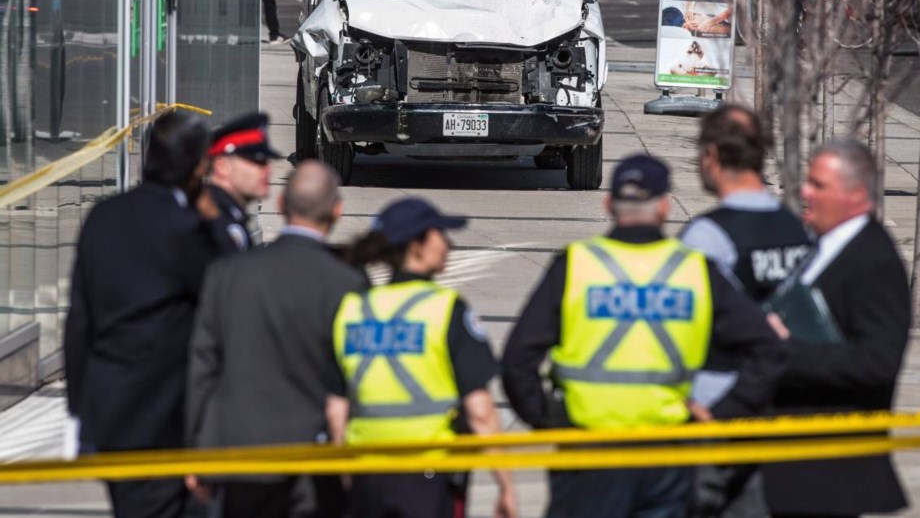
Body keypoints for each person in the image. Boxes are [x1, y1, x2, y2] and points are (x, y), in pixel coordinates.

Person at [501, 153, 785, 518]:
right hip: (664, 455)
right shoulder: (695, 270)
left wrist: (547, 420)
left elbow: (516, 360)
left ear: (609, 204)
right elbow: (768, 349)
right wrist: (721, 412)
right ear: (665, 206)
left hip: (587, 453)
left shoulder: (576, 265)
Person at [186, 160, 367, 518]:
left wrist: (197, 450)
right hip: (316, 456)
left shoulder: (229, 273)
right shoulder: (348, 284)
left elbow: (203, 367)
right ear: (337, 210)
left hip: (242, 452)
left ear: (281, 204)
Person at [64, 112, 219, 518]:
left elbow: (80, 321)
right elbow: (220, 303)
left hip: (111, 412)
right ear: (196, 167)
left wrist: (81, 410)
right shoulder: (187, 227)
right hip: (167, 416)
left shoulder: (103, 217)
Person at [323, 197, 517, 518]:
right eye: (440, 234)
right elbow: (481, 412)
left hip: (366, 472)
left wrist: (348, 478)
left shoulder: (353, 310)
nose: (449, 244)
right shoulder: (445, 309)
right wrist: (505, 484)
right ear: (417, 245)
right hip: (428, 475)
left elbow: (336, 412)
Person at [762, 140, 910, 518]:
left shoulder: (873, 260)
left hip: (827, 469)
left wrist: (785, 349)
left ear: (856, 194)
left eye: (818, 185)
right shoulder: (826, 245)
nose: (805, 192)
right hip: (792, 460)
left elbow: (877, 361)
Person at [679, 105, 812, 518]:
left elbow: (681, 326)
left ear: (712, 157)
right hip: (778, 407)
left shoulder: (707, 236)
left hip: (713, 408)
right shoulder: (797, 230)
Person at [206, 112, 281, 251]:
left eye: (266, 162)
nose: (268, 169)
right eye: (257, 161)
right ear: (222, 166)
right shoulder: (213, 224)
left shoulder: (228, 214)